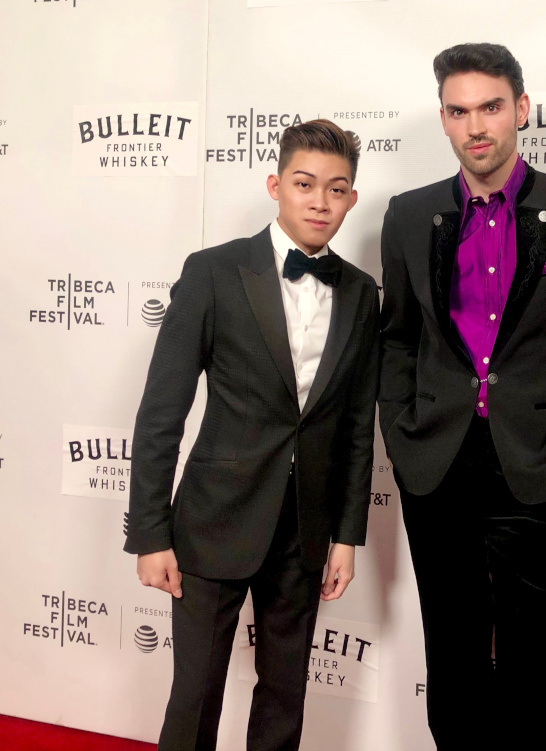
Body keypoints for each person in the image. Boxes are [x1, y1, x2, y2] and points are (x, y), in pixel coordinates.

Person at [378, 43, 546, 751]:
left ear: (520, 109)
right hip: (437, 468)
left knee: (525, 671)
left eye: (490, 106)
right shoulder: (407, 214)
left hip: (539, 466)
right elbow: (396, 340)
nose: (475, 125)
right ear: (444, 120)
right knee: (451, 666)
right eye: (459, 111)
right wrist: (403, 436)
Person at [124, 119, 379, 751]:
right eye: (304, 183)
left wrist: (347, 534)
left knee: (285, 698)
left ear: (351, 199)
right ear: (275, 185)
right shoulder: (213, 271)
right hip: (213, 522)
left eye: (337, 188)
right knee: (196, 696)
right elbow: (162, 411)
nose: (320, 200)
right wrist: (150, 533)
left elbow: (354, 425)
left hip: (306, 528)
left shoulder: (361, 293)